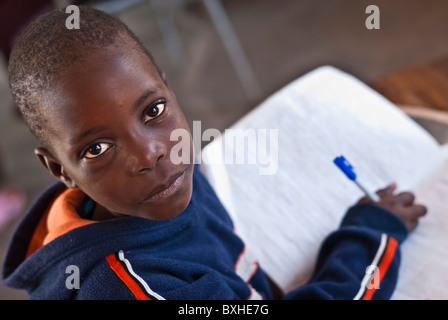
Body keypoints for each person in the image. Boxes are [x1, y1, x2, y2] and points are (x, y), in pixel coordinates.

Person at [2, 6, 427, 300]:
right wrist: (373, 235)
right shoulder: (135, 286)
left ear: (168, 89)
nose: (150, 155)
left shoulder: (167, 180)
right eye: (97, 148)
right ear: (61, 170)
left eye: (153, 110)